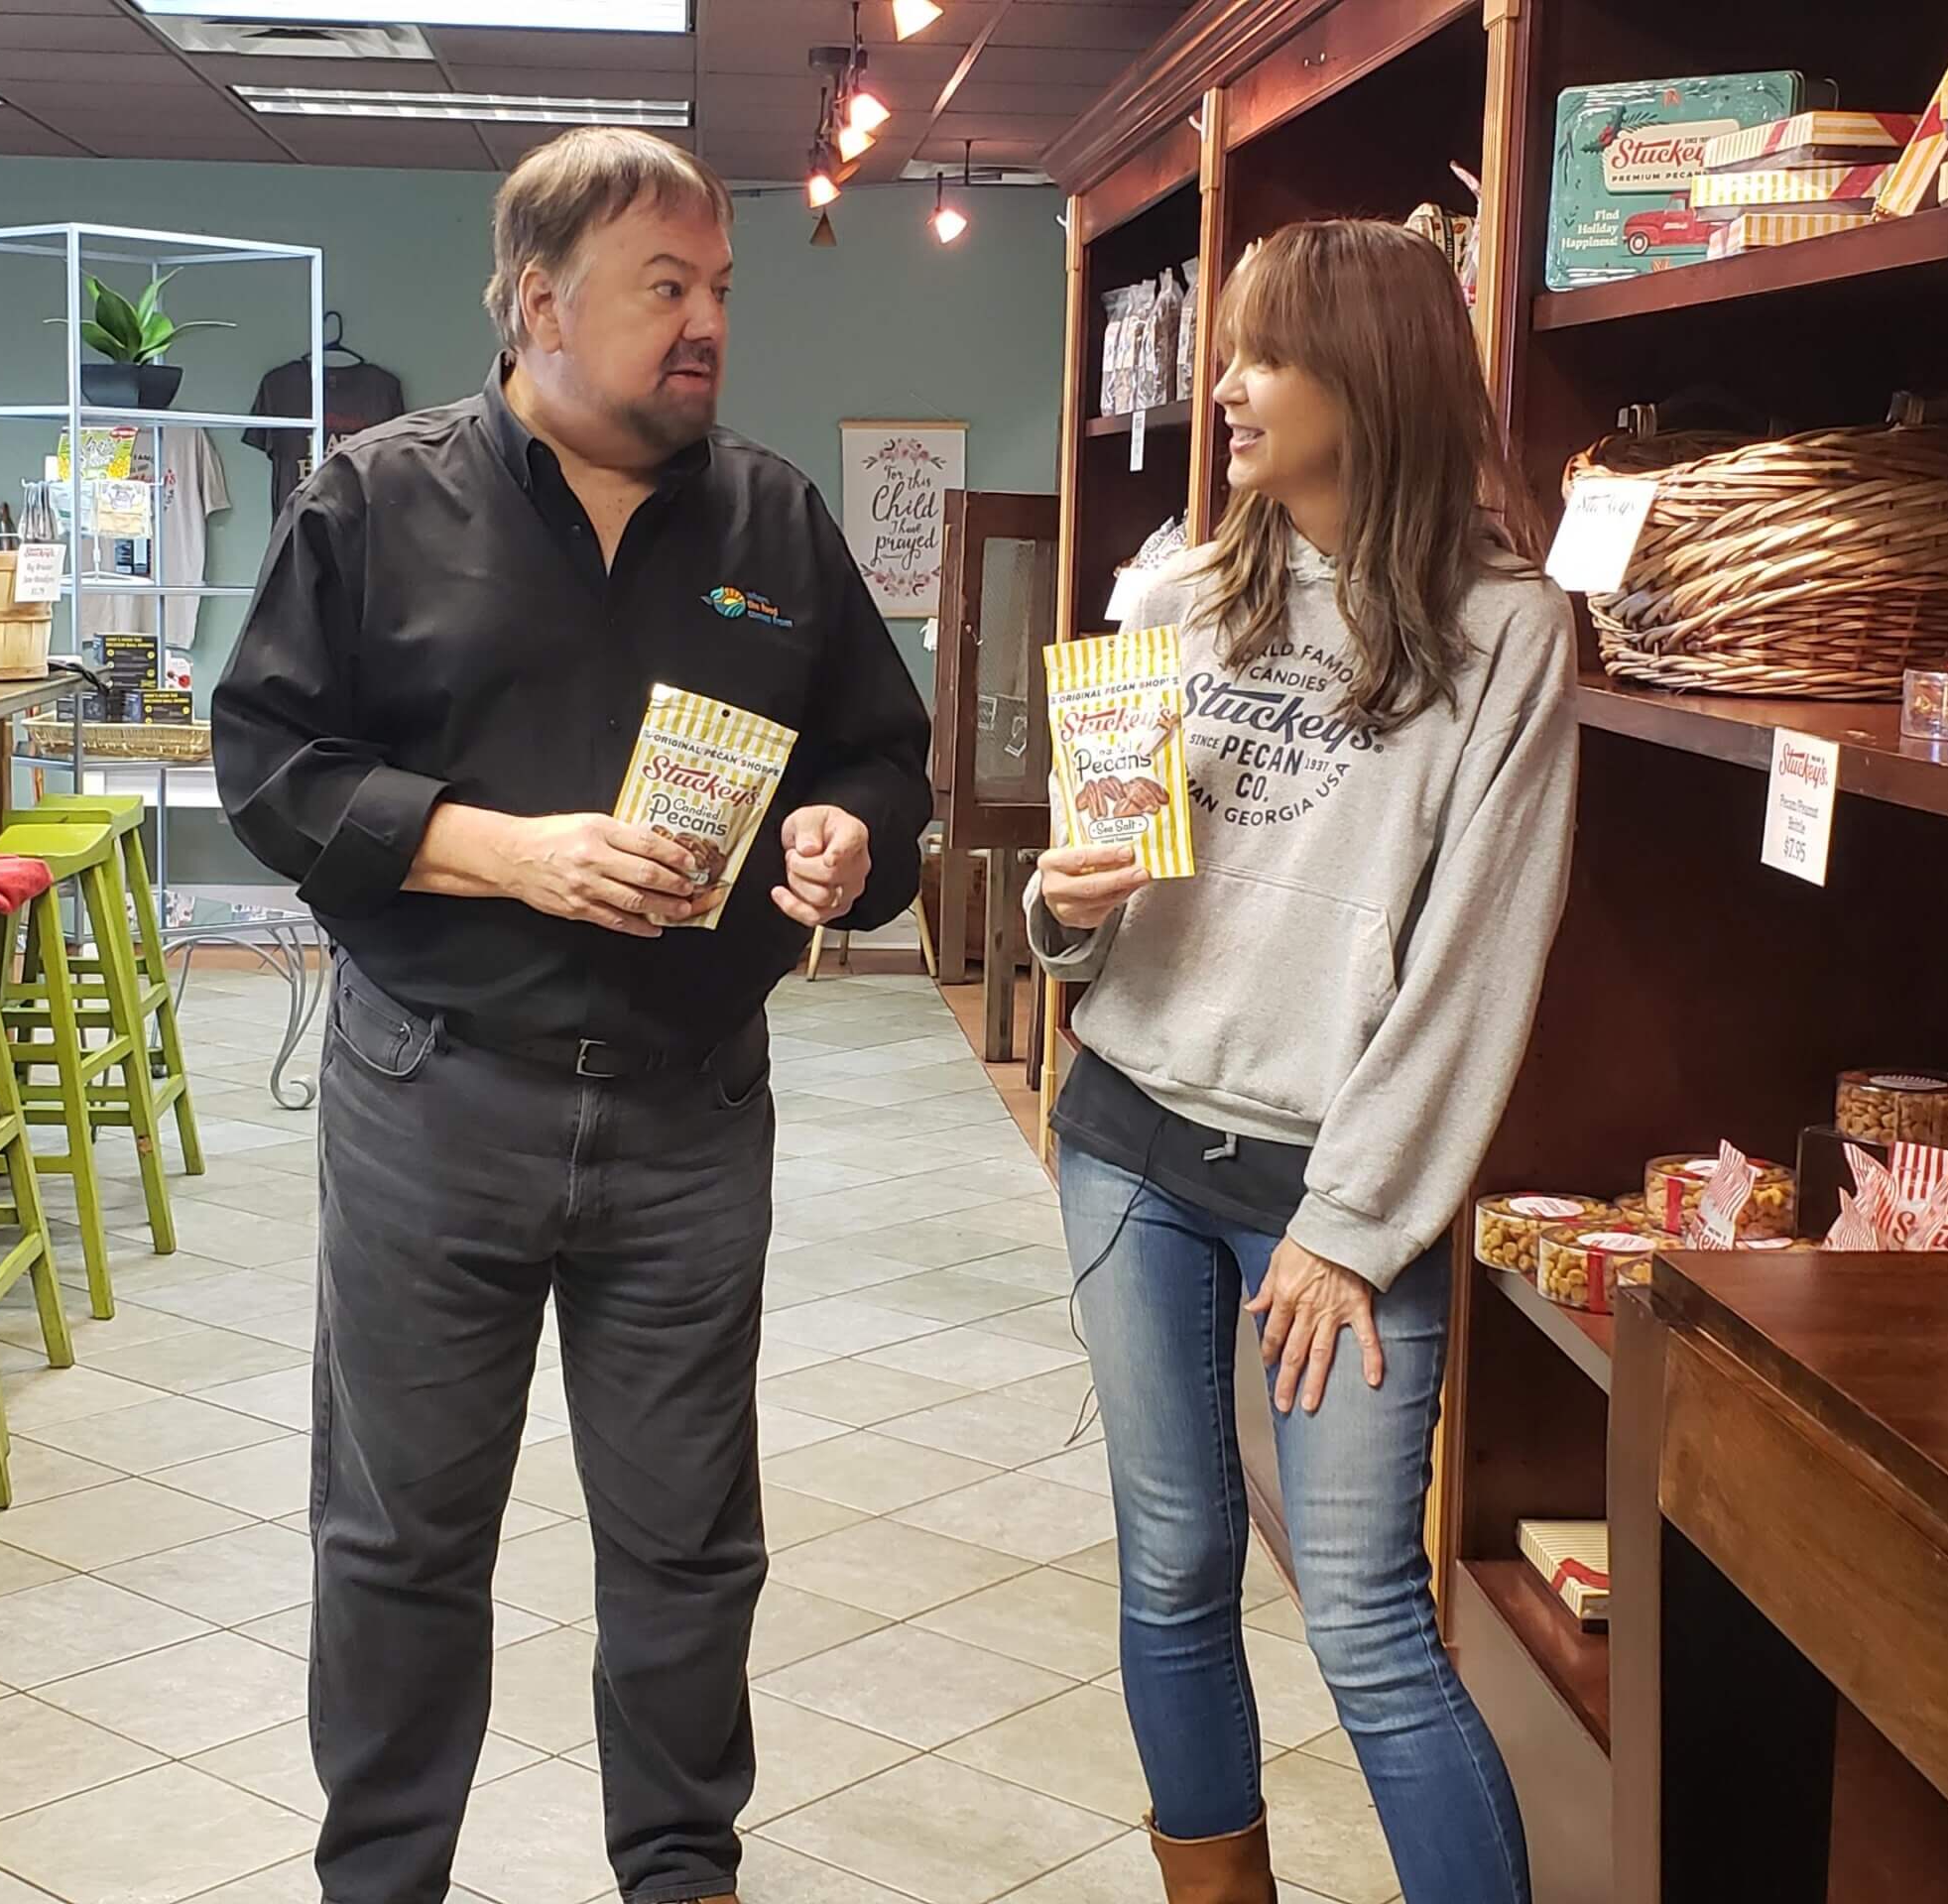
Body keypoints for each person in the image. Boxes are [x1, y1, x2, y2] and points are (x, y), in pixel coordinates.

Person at [213, 127, 931, 1904]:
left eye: (719, 292)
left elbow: (881, 751)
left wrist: (854, 838)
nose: (706, 325)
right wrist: (505, 854)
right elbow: (274, 766)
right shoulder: (374, 502)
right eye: (664, 289)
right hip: (437, 1098)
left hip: (693, 1112)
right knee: (398, 1546)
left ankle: (682, 1877)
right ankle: (382, 1884)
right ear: (538, 304)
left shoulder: (772, 519)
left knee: (690, 1554)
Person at [1029, 219, 1574, 1904]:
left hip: (1334, 1199)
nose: (1225, 384)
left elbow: (1480, 964)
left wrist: (1350, 1220)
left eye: (1265, 352)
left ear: (1377, 376)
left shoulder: (1509, 638)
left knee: (1363, 1618)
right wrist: (1061, 908)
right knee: (1174, 1566)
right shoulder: (1173, 595)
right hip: (1128, 1141)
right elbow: (1098, 909)